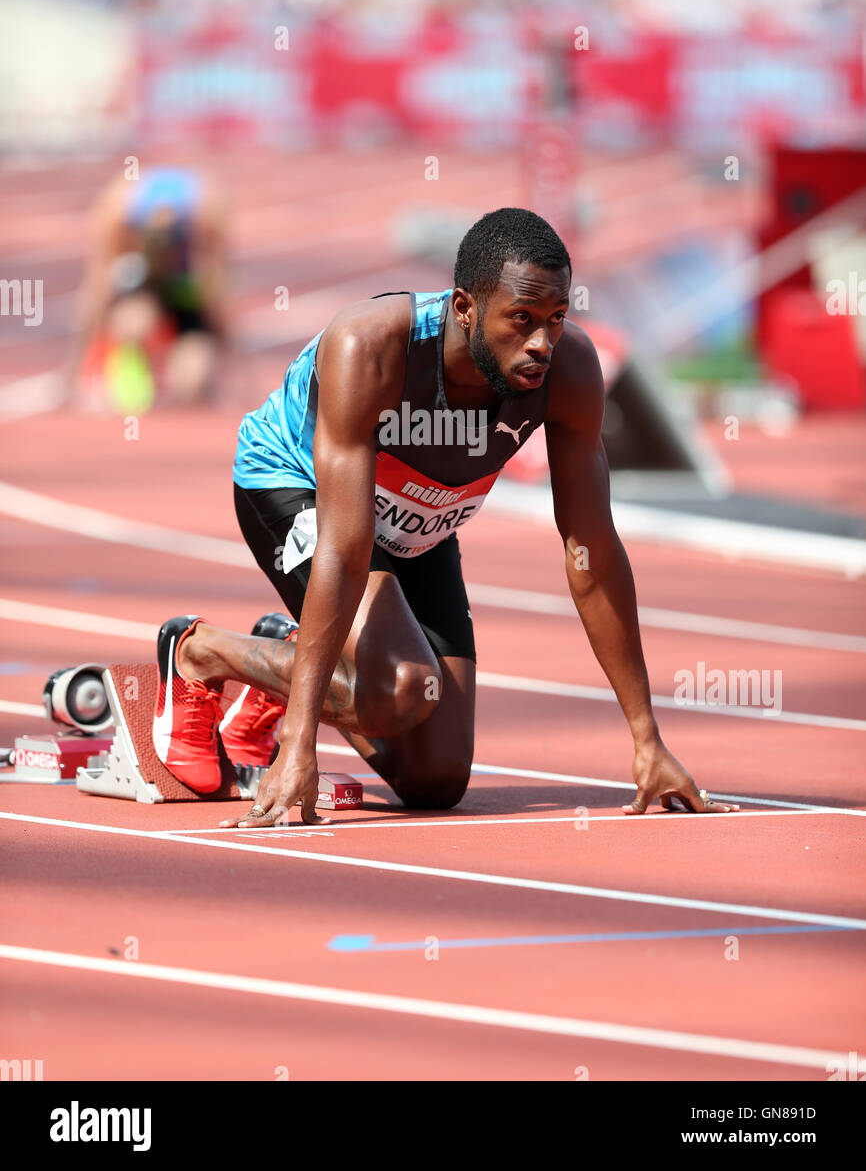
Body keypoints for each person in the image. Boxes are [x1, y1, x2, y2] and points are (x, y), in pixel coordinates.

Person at [151, 207, 737, 824]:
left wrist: (647, 740)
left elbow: (590, 549)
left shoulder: (568, 370)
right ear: (464, 308)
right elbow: (346, 549)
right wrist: (299, 743)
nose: (542, 342)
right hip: (298, 487)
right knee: (399, 685)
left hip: (424, 522)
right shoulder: (370, 345)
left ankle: (291, 654)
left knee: (436, 780)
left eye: (556, 319)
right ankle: (200, 652)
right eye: (522, 319)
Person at [65, 166, 228, 409]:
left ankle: (176, 370)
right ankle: (136, 366)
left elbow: (217, 298)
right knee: (134, 322)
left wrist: (227, 360)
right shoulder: (118, 213)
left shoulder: (205, 218)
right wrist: (74, 368)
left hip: (182, 297)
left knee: (194, 379)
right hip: (143, 292)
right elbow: (97, 290)